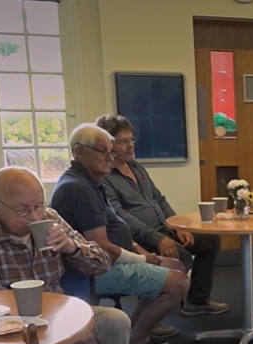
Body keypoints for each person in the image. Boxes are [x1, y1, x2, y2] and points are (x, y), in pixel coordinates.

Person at [50, 123, 190, 344]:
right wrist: (142, 258)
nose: (109, 158)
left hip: (106, 261)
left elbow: (113, 228)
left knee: (175, 265)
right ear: (79, 152)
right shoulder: (80, 187)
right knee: (178, 282)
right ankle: (138, 341)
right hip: (90, 272)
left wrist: (139, 249)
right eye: (102, 151)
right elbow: (100, 246)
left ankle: (130, 334)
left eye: (110, 152)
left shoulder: (90, 180)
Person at [0, 166, 130, 344]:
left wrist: (72, 248)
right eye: (23, 210)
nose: (35, 217)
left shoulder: (51, 219)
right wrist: (71, 330)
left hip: (59, 313)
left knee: (117, 322)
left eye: (38, 206)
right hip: (8, 325)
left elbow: (102, 264)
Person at [96, 114, 228, 320]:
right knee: (180, 257)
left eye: (131, 139)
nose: (130, 146)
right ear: (108, 145)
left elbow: (159, 199)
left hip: (163, 230)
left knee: (209, 241)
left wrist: (179, 227)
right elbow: (120, 216)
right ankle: (150, 320)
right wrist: (158, 239)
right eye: (123, 142)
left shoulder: (136, 167)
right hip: (138, 240)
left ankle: (197, 301)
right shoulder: (105, 177)